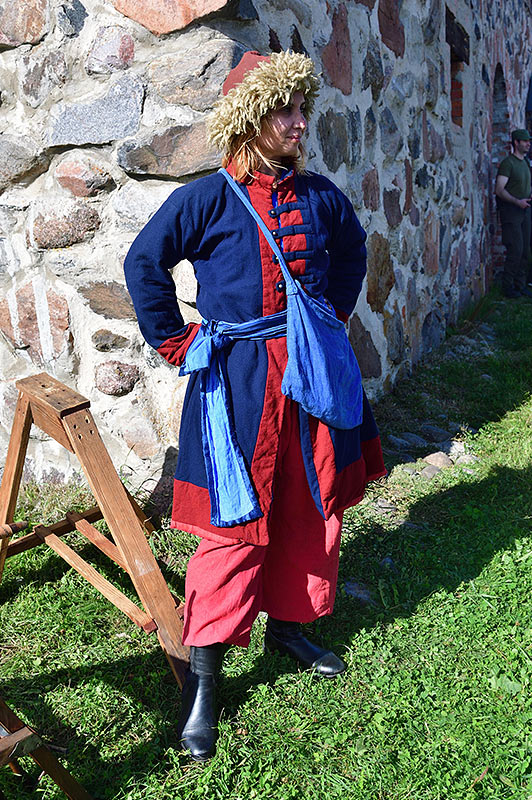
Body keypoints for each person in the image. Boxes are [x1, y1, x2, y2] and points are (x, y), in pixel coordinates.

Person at [124, 50, 386, 761]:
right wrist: (177, 342)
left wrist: (327, 317)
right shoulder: (207, 199)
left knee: (309, 502)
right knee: (233, 523)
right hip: (239, 383)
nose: (299, 123)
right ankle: (204, 680)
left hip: (311, 379)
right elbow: (144, 263)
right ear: (250, 119)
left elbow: (353, 252)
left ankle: (290, 626)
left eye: (302, 110)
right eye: (284, 111)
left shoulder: (321, 196)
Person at [495, 128, 532, 298]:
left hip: (526, 211)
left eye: (529, 141)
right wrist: (517, 202)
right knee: (515, 249)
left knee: (525, 251)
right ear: (516, 143)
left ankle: (520, 285)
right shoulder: (508, 163)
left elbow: (525, 185)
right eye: (525, 141)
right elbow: (499, 189)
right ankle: (507, 287)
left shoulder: (525, 163)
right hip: (511, 212)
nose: (528, 144)